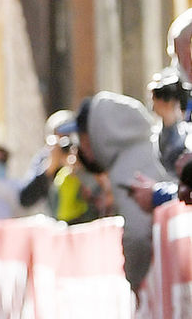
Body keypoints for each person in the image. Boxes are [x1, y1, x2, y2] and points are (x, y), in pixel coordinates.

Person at [73, 92, 177, 292]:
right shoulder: (156, 143)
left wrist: (134, 281)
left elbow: (137, 234)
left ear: (96, 134)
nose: (83, 149)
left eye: (83, 139)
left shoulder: (126, 169)